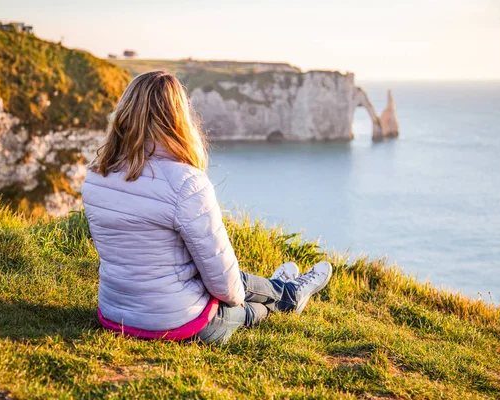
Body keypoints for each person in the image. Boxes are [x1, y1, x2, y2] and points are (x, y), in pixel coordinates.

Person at [81, 71, 332, 344]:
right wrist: (235, 300)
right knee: (239, 306)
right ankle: (288, 297)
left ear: (125, 112)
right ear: (178, 117)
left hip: (114, 315)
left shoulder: (97, 176)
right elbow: (224, 285)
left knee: (234, 281)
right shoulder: (187, 183)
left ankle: (280, 288)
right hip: (177, 323)